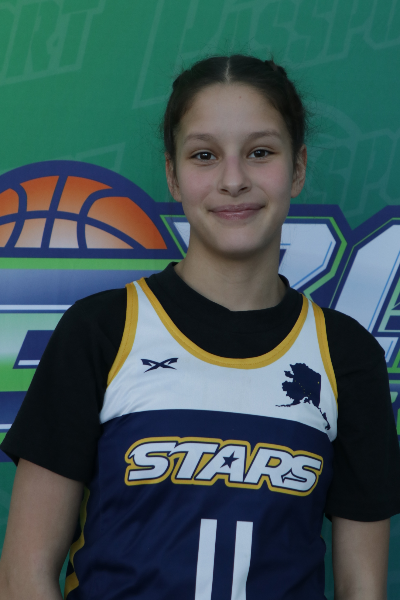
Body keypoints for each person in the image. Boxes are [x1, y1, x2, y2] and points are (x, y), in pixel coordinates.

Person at [0, 54, 399, 600]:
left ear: (298, 168)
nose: (233, 180)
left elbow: (363, 589)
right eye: (204, 155)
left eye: (260, 152)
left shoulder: (345, 354)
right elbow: (23, 577)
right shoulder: (101, 332)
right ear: (173, 173)